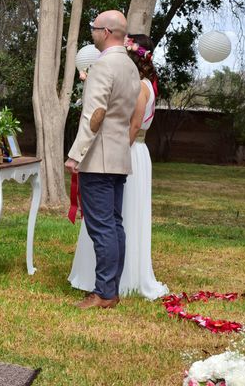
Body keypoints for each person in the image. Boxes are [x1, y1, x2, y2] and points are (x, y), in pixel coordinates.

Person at [68, 33, 169, 300]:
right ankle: (110, 283)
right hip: (131, 152)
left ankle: (108, 287)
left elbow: (133, 126)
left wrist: (114, 152)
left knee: (110, 221)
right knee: (116, 219)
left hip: (125, 151)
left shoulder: (141, 86)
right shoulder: (142, 82)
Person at [64, 10, 141, 310]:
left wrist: (76, 154)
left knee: (101, 228)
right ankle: (111, 288)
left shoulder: (102, 66)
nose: (92, 32)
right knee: (114, 224)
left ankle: (104, 292)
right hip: (119, 155)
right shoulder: (131, 67)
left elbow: (95, 115)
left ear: (107, 32)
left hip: (98, 158)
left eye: (94, 28)